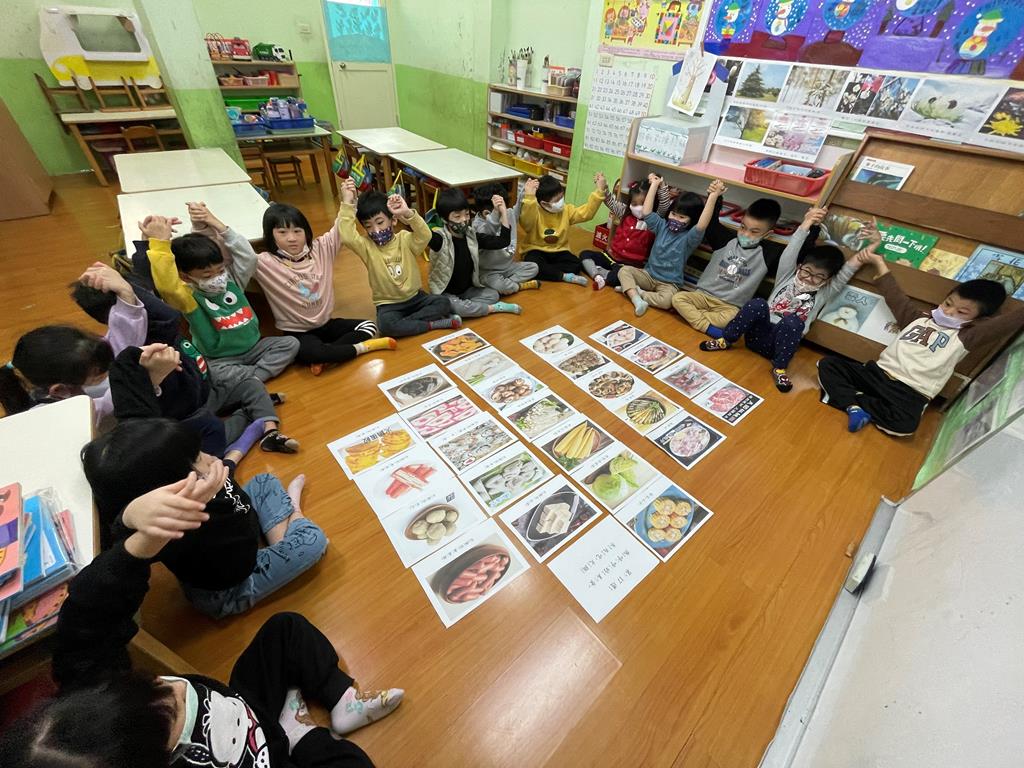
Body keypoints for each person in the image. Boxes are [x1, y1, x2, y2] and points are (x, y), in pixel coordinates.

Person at [0, 479, 401, 768]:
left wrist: (136, 534)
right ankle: (301, 734)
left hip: (244, 708)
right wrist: (301, 743)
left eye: (156, 685)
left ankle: (339, 699)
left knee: (285, 629)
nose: (175, 688)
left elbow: (89, 615)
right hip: (269, 755)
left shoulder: (92, 695)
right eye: (175, 712)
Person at [82, 418, 326, 617]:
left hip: (246, 529)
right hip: (232, 587)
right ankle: (294, 512)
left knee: (264, 480)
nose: (210, 457)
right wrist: (130, 515)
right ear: (172, 486)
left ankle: (283, 540)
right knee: (314, 541)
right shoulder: (176, 526)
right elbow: (124, 546)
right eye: (198, 458)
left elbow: (232, 486)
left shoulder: (204, 480)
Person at [72, 269, 297, 457]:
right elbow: (167, 314)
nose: (151, 300)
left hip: (207, 389)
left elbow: (147, 279)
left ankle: (270, 431)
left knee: (251, 383)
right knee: (212, 437)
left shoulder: (143, 325)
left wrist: (134, 271)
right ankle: (249, 414)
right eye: (141, 298)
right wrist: (127, 292)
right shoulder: (141, 340)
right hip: (189, 413)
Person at [818, 256, 1023, 436]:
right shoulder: (918, 318)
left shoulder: (968, 336)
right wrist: (879, 263)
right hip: (877, 374)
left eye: (961, 312)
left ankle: (852, 400)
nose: (949, 312)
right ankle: (855, 406)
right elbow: (895, 296)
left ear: (978, 319)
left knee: (905, 427)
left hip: (910, 392)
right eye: (948, 303)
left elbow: (1009, 322)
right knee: (828, 364)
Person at [700, 208, 879, 393]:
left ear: (828, 280)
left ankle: (779, 369)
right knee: (758, 303)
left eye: (818, 276)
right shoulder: (787, 276)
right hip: (755, 336)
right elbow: (792, 250)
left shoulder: (826, 291)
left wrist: (874, 244)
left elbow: (851, 267)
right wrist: (807, 222)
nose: (809, 278)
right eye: (807, 271)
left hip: (780, 346)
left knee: (793, 321)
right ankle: (725, 340)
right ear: (800, 266)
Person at [145, 212, 300, 383]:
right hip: (220, 358)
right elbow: (168, 287)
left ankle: (252, 377)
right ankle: (253, 376)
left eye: (220, 270)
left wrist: (217, 225)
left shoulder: (231, 282)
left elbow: (248, 258)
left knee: (290, 343)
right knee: (212, 373)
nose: (217, 278)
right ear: (186, 277)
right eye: (207, 275)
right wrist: (160, 243)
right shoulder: (190, 298)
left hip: (255, 347)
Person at [248, 201, 396, 377]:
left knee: (369, 326)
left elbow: (340, 227)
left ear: (306, 232)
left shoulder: (320, 249)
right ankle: (362, 348)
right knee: (303, 352)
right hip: (298, 332)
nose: (292, 238)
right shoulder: (264, 262)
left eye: (297, 231)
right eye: (282, 232)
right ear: (270, 235)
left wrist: (348, 201)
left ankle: (327, 354)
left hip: (326, 324)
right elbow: (237, 253)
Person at [0, 263, 145, 428]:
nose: (105, 370)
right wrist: (140, 379)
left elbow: (120, 348)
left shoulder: (65, 375)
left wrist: (126, 294)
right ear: (59, 390)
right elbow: (111, 403)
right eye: (97, 373)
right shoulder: (56, 417)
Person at [673, 196, 821, 338]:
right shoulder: (726, 240)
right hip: (701, 296)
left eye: (754, 232)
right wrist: (716, 196)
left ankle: (693, 316)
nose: (745, 234)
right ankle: (706, 326)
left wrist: (812, 225)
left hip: (729, 307)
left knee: (732, 318)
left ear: (768, 234)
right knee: (678, 298)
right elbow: (710, 222)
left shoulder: (769, 253)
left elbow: (799, 254)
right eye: (743, 227)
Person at [338, 179, 459, 338]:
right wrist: (347, 203)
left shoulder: (405, 239)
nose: (376, 230)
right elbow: (347, 237)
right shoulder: (366, 246)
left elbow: (425, 235)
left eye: (380, 222)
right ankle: (432, 324)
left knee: (443, 303)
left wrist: (407, 213)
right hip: (388, 305)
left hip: (416, 298)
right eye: (368, 226)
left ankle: (407, 324)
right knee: (386, 325)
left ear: (393, 220)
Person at [618, 176, 725, 317]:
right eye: (673, 214)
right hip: (648, 275)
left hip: (669, 284)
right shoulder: (661, 226)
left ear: (692, 220)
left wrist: (713, 196)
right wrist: (654, 184)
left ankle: (635, 293)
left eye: (682, 217)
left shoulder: (690, 238)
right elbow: (646, 212)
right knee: (624, 271)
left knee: (668, 301)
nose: (675, 219)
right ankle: (636, 299)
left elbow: (702, 224)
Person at [427, 188, 522, 318]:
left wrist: (503, 212)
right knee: (450, 304)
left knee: (493, 295)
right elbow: (423, 233)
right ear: (444, 219)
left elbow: (503, 241)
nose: (464, 220)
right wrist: (409, 215)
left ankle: (462, 308)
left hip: (468, 290)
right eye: (457, 216)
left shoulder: (472, 236)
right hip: (445, 293)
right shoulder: (439, 239)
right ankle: (493, 308)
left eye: (466, 214)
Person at [577, 174, 673, 290]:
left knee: (621, 275)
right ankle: (598, 276)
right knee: (584, 254)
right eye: (634, 204)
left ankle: (603, 274)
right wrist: (603, 187)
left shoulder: (654, 221)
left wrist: (660, 186)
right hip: (611, 256)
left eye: (643, 204)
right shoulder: (625, 212)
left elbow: (664, 205)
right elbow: (610, 201)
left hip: (629, 266)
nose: (638, 208)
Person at [519, 174, 605, 285]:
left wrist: (599, 191)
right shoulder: (534, 211)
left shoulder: (566, 210)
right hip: (536, 250)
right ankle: (563, 276)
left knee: (576, 265)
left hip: (559, 250)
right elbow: (526, 223)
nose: (561, 201)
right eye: (557, 200)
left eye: (562, 197)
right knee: (533, 263)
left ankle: (547, 270)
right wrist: (530, 198)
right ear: (544, 204)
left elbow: (586, 213)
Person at [470, 183, 540, 296]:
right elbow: (489, 230)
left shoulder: (507, 213)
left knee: (533, 267)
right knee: (500, 285)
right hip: (488, 272)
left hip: (508, 267)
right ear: (486, 213)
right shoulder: (477, 226)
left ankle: (509, 285)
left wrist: (525, 192)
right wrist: (496, 214)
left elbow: (518, 208)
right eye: (501, 211)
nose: (505, 213)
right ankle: (515, 286)